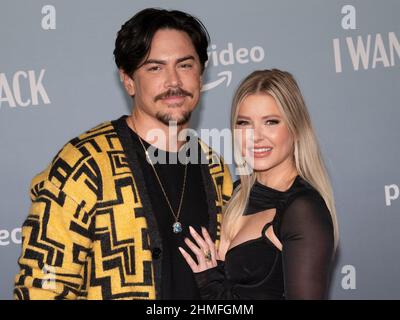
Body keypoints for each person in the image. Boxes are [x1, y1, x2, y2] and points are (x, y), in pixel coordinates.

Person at [14, 8, 232, 300]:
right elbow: (40, 289)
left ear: (201, 76)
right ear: (128, 80)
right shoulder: (86, 162)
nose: (173, 81)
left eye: (185, 65)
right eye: (154, 67)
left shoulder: (214, 168)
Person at [179, 69, 339, 299]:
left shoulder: (303, 209)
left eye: (271, 122)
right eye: (244, 123)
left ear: (296, 127)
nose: (256, 136)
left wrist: (209, 284)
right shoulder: (231, 193)